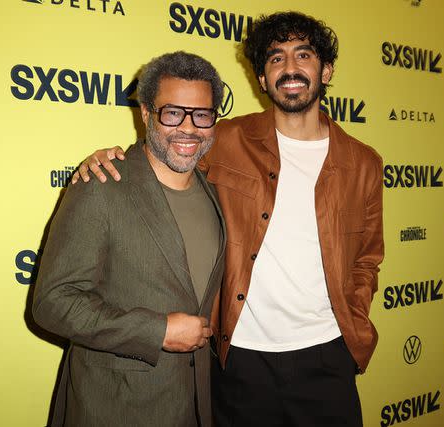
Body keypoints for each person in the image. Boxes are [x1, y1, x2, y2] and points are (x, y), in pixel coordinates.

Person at [74, 11, 383, 427]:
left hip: (328, 355)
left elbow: (367, 256)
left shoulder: (363, 162)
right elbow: (167, 151)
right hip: (239, 360)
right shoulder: (226, 138)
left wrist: (353, 320)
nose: (289, 68)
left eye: (303, 55)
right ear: (261, 79)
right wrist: (113, 158)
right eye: (275, 58)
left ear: (326, 70)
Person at [32, 51, 226, 427]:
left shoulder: (214, 190)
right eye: (172, 113)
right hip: (116, 407)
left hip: (196, 404)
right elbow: (53, 302)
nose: (188, 128)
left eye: (201, 115)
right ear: (146, 113)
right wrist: (157, 331)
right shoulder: (101, 185)